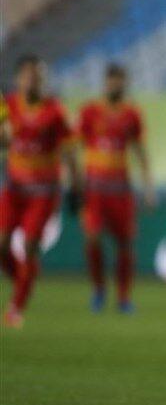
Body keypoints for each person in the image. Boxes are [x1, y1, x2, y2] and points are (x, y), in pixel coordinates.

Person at [0, 54, 81, 328]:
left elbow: (69, 152)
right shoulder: (9, 106)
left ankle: (16, 306)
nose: (33, 81)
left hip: (43, 192)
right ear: (18, 79)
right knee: (1, 244)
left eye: (38, 77)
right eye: (28, 76)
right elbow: (5, 141)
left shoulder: (55, 111)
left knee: (30, 245)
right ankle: (24, 279)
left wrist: (76, 187)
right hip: (15, 188)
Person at [78, 64, 156, 314]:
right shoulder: (90, 111)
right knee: (92, 238)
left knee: (124, 243)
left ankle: (123, 296)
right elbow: (77, 145)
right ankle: (99, 288)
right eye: (112, 81)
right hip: (94, 189)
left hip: (120, 190)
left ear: (125, 83)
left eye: (120, 81)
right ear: (105, 83)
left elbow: (140, 151)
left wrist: (148, 187)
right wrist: (75, 181)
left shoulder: (132, 114)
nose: (115, 85)